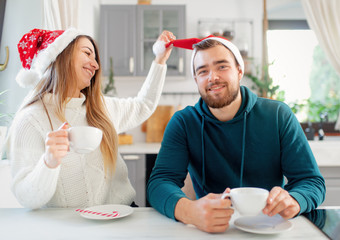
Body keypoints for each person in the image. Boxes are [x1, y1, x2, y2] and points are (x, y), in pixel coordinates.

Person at [147, 35, 326, 233]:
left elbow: (311, 182)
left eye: (222, 66)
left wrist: (295, 199)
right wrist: (189, 211)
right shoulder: (183, 122)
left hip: (268, 226)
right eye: (203, 71)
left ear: (239, 71)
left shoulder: (277, 115)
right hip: (212, 230)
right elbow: (159, 182)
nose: (212, 77)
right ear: (196, 79)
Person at [7, 28, 175, 209]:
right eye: (87, 53)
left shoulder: (100, 107)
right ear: (61, 54)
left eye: (95, 58)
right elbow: (27, 198)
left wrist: (160, 60)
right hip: (69, 227)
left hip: (123, 215)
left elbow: (144, 105)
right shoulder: (30, 119)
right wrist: (49, 163)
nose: (95, 65)